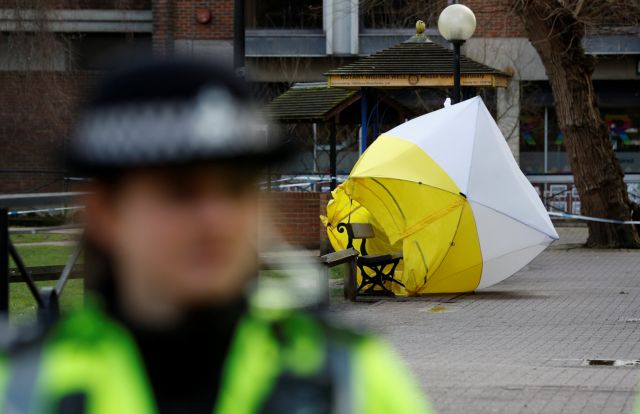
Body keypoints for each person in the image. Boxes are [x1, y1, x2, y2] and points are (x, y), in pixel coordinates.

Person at [0, 58, 432, 414]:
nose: (216, 218)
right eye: (180, 191)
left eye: (235, 188)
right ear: (102, 212)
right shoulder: (20, 387)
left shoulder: (349, 377)